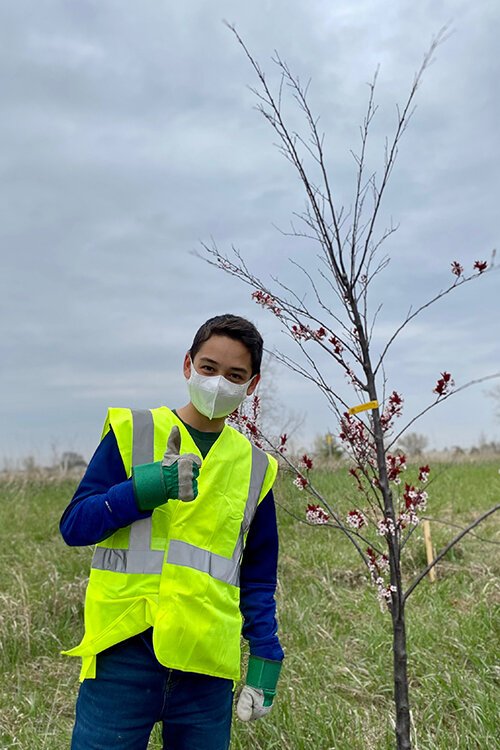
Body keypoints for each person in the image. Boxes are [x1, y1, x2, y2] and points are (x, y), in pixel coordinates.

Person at [60, 314, 284, 750]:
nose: (219, 383)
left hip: (205, 666)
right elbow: (75, 526)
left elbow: (257, 576)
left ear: (251, 386)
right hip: (123, 652)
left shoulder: (258, 468)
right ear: (187, 366)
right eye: (208, 368)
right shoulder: (133, 432)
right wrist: (143, 489)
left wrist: (265, 656)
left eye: (235, 375)